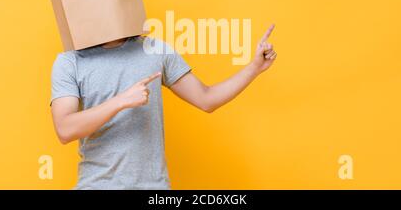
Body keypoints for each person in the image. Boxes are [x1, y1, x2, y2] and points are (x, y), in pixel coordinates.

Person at [50, 24, 277, 189]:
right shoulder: (70, 61)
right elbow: (65, 128)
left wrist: (254, 68)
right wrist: (120, 101)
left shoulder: (155, 50)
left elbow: (207, 99)